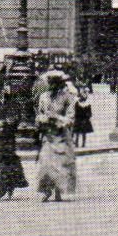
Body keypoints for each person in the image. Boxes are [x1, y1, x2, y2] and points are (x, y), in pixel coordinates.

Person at [34, 70, 78, 201]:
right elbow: (39, 113)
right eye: (50, 83)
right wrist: (42, 119)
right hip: (48, 134)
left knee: (60, 163)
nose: (52, 86)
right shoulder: (43, 97)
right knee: (46, 162)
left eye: (55, 83)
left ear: (60, 84)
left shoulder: (67, 97)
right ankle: (46, 190)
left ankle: (59, 190)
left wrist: (57, 118)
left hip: (61, 135)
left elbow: (70, 117)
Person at [71, 79, 94, 148]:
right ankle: (79, 143)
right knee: (79, 132)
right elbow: (75, 111)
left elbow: (89, 113)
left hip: (82, 119)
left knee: (81, 132)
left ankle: (81, 144)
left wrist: (87, 116)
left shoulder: (84, 104)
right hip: (81, 119)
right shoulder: (79, 103)